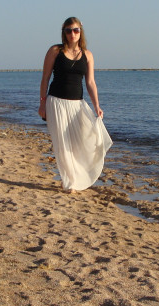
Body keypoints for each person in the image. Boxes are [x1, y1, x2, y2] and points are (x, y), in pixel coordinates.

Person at [38, 17, 112, 192]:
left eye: (76, 30)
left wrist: (97, 106)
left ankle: (76, 176)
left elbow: (90, 82)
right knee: (63, 144)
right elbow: (45, 78)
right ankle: (69, 182)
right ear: (64, 32)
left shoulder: (87, 55)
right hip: (56, 102)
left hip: (77, 104)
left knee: (83, 141)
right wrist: (42, 103)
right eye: (68, 30)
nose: (72, 33)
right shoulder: (55, 51)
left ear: (81, 32)